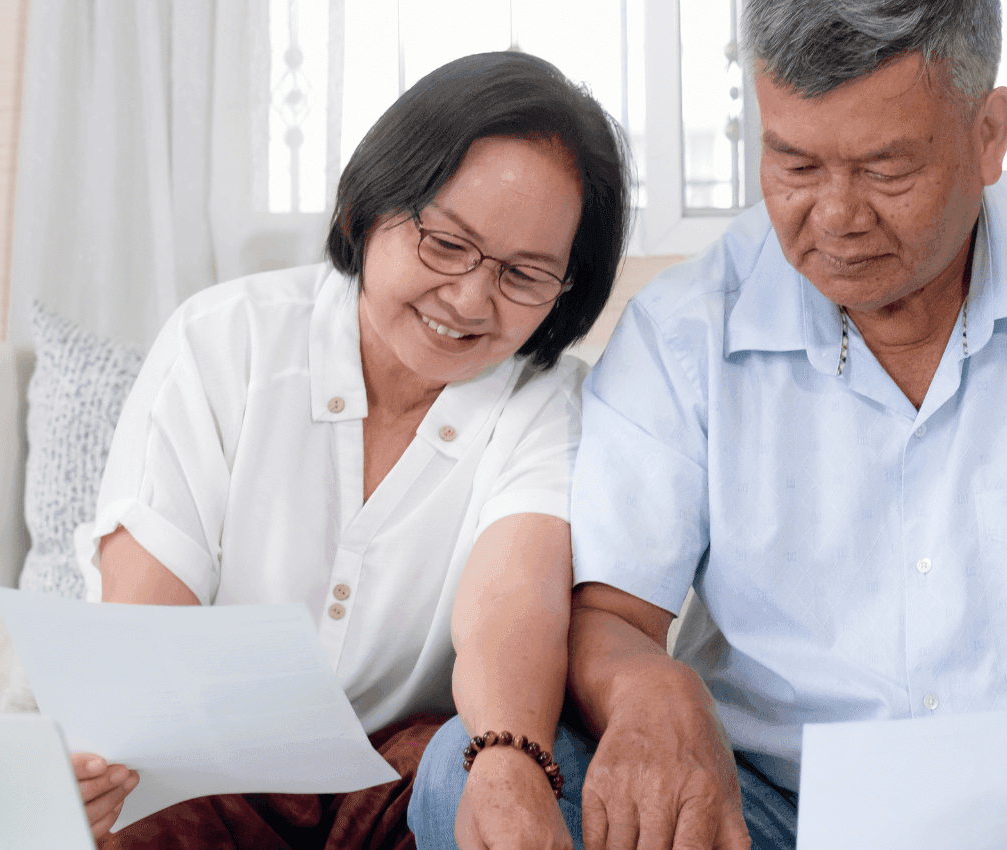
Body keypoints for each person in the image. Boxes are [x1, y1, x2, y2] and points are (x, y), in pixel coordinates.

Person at [410, 2, 1007, 849]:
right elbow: (609, 614)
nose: (836, 218)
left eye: (886, 169)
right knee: (476, 769)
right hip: (766, 813)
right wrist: (651, 687)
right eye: (795, 165)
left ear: (989, 134)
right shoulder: (685, 327)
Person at [68, 50, 629, 850]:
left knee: (455, 770)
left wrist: (509, 765)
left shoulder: (551, 401)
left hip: (400, 781)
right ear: (369, 209)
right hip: (211, 769)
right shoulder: (226, 341)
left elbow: (515, 597)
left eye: (525, 274)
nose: (470, 299)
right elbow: (144, 635)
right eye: (445, 243)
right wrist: (97, 768)